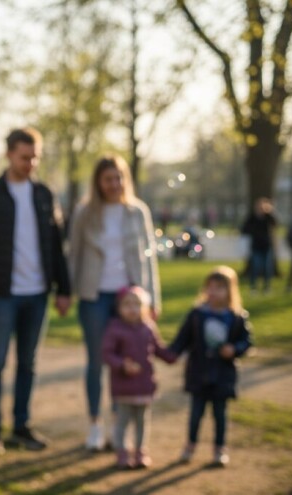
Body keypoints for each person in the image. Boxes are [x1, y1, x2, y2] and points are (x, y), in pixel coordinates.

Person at [0, 127, 71, 455]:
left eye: (35, 157)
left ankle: (21, 427)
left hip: (37, 294)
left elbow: (56, 245)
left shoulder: (44, 194)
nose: (31, 163)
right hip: (0, 294)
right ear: (9, 154)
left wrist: (64, 289)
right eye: (25, 157)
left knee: (28, 363)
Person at [68, 154, 160, 451]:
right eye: (108, 178)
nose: (114, 184)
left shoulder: (137, 212)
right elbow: (75, 254)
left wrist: (152, 298)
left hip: (129, 297)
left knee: (129, 361)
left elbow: (149, 259)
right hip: (94, 295)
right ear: (98, 181)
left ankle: (121, 426)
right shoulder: (85, 213)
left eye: (119, 177)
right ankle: (96, 424)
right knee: (97, 361)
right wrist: (67, 292)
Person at [167, 266, 253, 467]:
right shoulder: (197, 314)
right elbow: (182, 339)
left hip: (223, 376)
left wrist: (235, 348)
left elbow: (247, 342)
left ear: (229, 291)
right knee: (196, 414)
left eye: (219, 288)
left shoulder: (236, 317)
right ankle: (190, 446)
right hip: (198, 372)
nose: (213, 292)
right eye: (210, 287)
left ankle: (219, 448)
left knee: (220, 415)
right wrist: (169, 354)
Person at [101, 286, 175, 469]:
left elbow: (158, 349)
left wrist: (174, 355)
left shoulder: (148, 327)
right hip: (123, 387)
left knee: (142, 421)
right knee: (123, 421)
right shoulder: (115, 328)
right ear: (119, 307)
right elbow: (107, 353)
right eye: (127, 304)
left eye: (137, 304)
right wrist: (122, 365)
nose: (132, 308)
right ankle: (122, 451)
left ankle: (141, 451)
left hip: (144, 385)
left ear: (144, 307)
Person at [241, 198, 277, 293]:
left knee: (267, 267)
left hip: (266, 245)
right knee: (255, 266)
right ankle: (253, 287)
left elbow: (275, 223)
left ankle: (267, 287)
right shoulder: (252, 217)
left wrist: (270, 212)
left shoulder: (268, 217)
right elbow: (244, 229)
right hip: (256, 246)